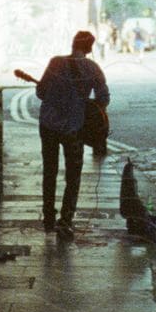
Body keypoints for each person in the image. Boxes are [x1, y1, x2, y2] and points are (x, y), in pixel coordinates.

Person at [35, 31, 110, 238]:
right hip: (73, 128)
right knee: (73, 175)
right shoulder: (93, 68)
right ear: (89, 48)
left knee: (49, 171)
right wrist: (84, 106)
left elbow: (41, 92)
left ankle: (49, 217)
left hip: (48, 125)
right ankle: (65, 221)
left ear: (72, 44)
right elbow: (103, 98)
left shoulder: (55, 63)